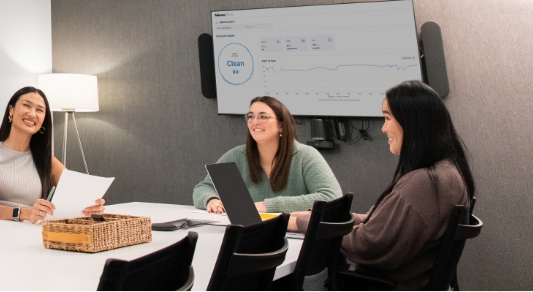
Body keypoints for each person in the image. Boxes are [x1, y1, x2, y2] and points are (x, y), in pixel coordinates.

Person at [291, 81, 474, 289]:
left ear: (412, 123)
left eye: (387, 118)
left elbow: (368, 245)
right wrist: (319, 219)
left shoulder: (424, 184)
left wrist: (307, 224)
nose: (384, 128)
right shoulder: (447, 172)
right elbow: (381, 223)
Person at [0, 86, 105, 223]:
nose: (32, 113)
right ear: (11, 110)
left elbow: (77, 194)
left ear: (43, 120)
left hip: (23, 233)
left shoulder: (47, 161)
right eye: (26, 105)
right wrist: (26, 213)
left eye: (39, 110)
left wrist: (92, 206)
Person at [194, 96, 341, 214]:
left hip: (297, 236)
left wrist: (267, 206)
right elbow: (204, 188)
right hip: (252, 233)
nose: (254, 122)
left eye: (263, 117)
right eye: (250, 117)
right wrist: (211, 200)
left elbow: (331, 197)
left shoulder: (305, 155)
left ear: (281, 125)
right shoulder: (236, 156)